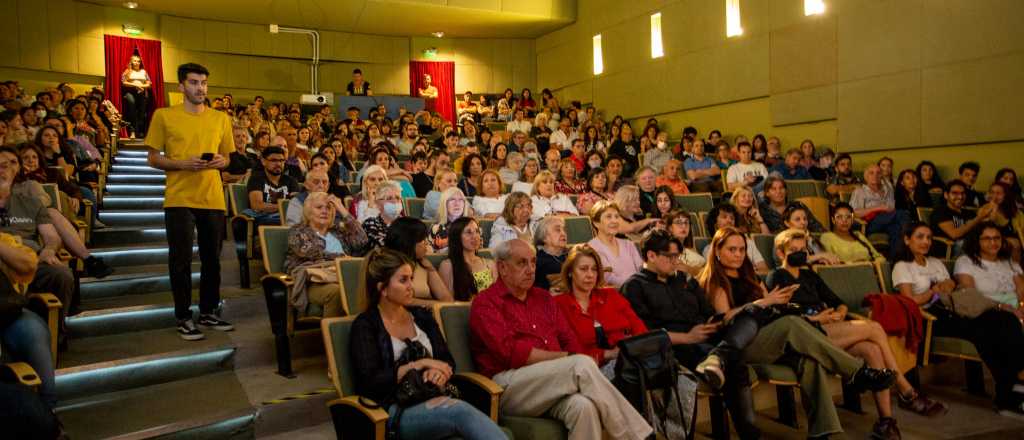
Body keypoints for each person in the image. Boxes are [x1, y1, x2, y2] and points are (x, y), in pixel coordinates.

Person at [703, 226, 898, 439]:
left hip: (769, 336)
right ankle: (857, 373)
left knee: (809, 360)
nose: (738, 254)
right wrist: (763, 302)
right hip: (741, 346)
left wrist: (780, 303)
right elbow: (725, 321)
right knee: (791, 324)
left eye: (742, 249)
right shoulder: (716, 281)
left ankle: (822, 432)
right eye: (732, 250)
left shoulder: (749, 275)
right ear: (718, 251)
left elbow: (770, 306)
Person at [768, 229, 948, 437]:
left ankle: (886, 422)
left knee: (872, 349)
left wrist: (839, 313)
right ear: (781, 254)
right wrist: (818, 319)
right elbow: (782, 317)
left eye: (803, 249)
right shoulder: (776, 276)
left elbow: (838, 302)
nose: (800, 253)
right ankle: (906, 390)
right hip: (806, 333)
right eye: (793, 250)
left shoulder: (809, 275)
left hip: (829, 327)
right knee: (873, 327)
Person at [469, 239, 653, 440]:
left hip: (552, 380)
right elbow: (511, 353)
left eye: (533, 262)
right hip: (508, 386)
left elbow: (569, 340)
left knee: (584, 407)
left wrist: (570, 356)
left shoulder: (543, 298)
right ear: (502, 268)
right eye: (522, 263)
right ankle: (640, 436)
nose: (530, 269)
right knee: (580, 364)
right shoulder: (486, 303)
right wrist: (567, 357)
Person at [349, 248, 506, 440]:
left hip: (432, 395)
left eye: (411, 278)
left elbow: (446, 360)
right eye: (403, 280)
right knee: (459, 412)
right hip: (394, 409)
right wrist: (419, 365)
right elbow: (370, 382)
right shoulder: (365, 325)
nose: (411, 286)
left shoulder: (422, 316)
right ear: (383, 288)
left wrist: (439, 372)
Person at [623, 229, 765, 439]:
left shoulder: (685, 280)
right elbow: (645, 334)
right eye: (670, 257)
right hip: (674, 346)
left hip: (705, 337)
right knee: (727, 362)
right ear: (651, 255)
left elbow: (708, 312)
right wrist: (689, 337)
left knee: (747, 321)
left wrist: (712, 325)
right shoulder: (634, 286)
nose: (676, 262)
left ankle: (750, 435)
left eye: (677, 256)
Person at [894, 222, 1024, 419]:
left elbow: (953, 288)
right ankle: (1008, 395)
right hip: (930, 317)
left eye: (929, 237)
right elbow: (909, 301)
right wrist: (933, 291)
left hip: (952, 309)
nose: (926, 242)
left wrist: (947, 285)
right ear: (907, 240)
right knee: (984, 332)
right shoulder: (902, 266)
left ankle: (1015, 384)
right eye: (920, 237)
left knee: (1007, 320)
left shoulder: (936, 262)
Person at [146, 63, 235, 340]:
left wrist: (222, 161)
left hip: (212, 197)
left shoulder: (220, 118)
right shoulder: (164, 115)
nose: (201, 88)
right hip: (179, 196)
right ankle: (183, 316)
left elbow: (228, 157)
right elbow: (152, 157)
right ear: (181, 86)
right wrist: (181, 163)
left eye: (204, 83)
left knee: (212, 261)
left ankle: (208, 312)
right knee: (181, 260)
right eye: (194, 82)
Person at [284, 192, 369, 318]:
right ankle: (334, 335)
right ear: (308, 211)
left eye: (328, 208)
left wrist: (342, 209)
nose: (324, 211)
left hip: (343, 276)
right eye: (319, 207)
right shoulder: (298, 231)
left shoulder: (338, 231)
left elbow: (362, 240)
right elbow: (311, 252)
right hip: (314, 282)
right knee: (338, 292)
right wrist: (342, 258)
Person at [954, 222, 1024, 310]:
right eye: (987, 238)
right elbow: (969, 295)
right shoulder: (965, 262)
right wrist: (1001, 307)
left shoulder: (1009, 262)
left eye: (997, 238)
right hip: (987, 310)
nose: (993, 242)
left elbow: (1022, 291)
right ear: (976, 241)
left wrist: (1021, 307)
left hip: (1017, 309)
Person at [385, 217, 454, 306]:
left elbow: (447, 300)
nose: (427, 243)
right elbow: (399, 301)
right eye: (422, 240)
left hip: (427, 316)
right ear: (408, 242)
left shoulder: (424, 263)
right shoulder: (388, 266)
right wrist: (433, 304)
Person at [849, 164, 911, 254]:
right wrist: (878, 208)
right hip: (870, 223)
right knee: (902, 214)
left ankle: (896, 260)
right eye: (871, 173)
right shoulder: (860, 191)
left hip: (888, 220)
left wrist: (887, 209)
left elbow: (891, 208)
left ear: (881, 176)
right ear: (866, 177)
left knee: (896, 229)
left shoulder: (887, 190)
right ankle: (911, 237)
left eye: (878, 173)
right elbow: (854, 213)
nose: (875, 175)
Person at [586, 201, 643, 288]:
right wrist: (637, 286)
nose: (614, 221)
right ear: (596, 223)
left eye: (616, 217)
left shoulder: (629, 244)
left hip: (638, 292)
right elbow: (609, 279)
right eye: (608, 217)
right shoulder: (592, 247)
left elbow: (641, 270)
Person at [438, 217, 496, 301]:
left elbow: (498, 297)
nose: (475, 236)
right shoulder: (448, 265)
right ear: (457, 237)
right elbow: (449, 303)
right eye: (469, 232)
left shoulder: (490, 264)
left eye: (477, 231)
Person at [702, 203, 769, 273]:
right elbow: (717, 273)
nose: (729, 220)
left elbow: (763, 269)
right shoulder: (710, 249)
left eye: (732, 218)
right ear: (714, 224)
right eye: (724, 217)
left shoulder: (748, 243)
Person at [930, 179, 995, 246]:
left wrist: (990, 212)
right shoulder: (940, 212)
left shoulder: (968, 212)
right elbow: (955, 234)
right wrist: (979, 218)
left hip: (970, 244)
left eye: (962, 193)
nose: (960, 197)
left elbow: (982, 229)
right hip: (950, 247)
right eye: (955, 193)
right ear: (946, 195)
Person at [244, 146, 300, 225]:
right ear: (263, 161)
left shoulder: (291, 180)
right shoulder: (256, 179)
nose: (278, 164)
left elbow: (296, 205)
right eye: (274, 160)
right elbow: (257, 206)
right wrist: (283, 207)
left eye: (281, 160)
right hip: (265, 221)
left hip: (287, 219)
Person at [820, 202, 886, 264]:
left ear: (852, 220)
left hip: (868, 271)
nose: (844, 220)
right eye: (839, 217)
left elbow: (878, 257)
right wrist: (857, 263)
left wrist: (871, 264)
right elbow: (831, 263)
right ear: (833, 220)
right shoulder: (827, 237)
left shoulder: (858, 235)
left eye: (848, 217)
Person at [759, 175, 825, 233]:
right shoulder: (763, 210)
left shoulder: (797, 205)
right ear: (767, 193)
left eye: (781, 188)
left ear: (786, 191)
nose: (778, 192)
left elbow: (817, 227)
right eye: (774, 189)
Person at [663, 209, 706, 277]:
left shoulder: (693, 255)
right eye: (678, 222)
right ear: (670, 228)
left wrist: (687, 268)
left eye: (686, 222)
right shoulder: (663, 249)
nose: (683, 226)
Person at [362, 182, 404, 248]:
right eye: (389, 198)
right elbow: (382, 247)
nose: (395, 201)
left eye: (398, 198)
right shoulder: (370, 223)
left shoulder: (406, 223)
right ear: (377, 203)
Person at [429, 187, 471, 252]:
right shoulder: (435, 228)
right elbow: (433, 256)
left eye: (460, 200)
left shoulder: (473, 227)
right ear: (444, 203)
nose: (457, 203)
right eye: (452, 200)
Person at [533, 215, 568, 291]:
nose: (563, 233)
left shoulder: (573, 256)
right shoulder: (537, 262)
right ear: (544, 237)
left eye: (564, 230)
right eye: (558, 230)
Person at [120, 54, 151, 137]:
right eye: (135, 61)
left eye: (138, 61)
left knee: (142, 112)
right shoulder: (128, 71)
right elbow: (124, 82)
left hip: (141, 92)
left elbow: (149, 83)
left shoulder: (143, 72)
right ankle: (133, 131)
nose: (137, 63)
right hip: (130, 92)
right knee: (132, 103)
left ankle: (139, 130)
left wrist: (141, 86)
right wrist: (136, 86)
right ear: (131, 62)